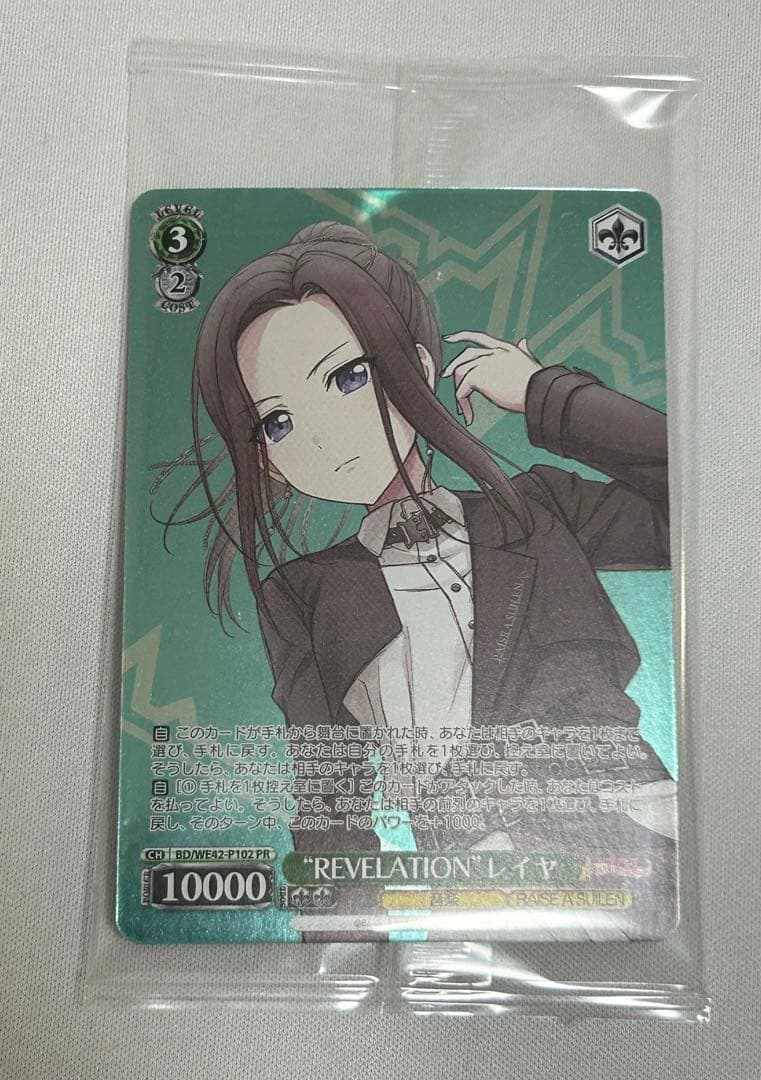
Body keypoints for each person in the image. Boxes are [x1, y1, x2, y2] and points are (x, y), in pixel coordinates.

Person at [177, 220, 677, 939]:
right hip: (483, 880)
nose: (319, 434)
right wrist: (345, 953)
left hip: (643, 836)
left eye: (347, 378)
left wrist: (543, 394)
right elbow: (330, 793)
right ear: (264, 458)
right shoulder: (302, 594)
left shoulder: (537, 510)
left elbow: (699, 502)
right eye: (277, 422)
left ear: (413, 364)